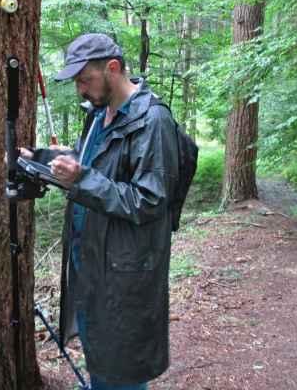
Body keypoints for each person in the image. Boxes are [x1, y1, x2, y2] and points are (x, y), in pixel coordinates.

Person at [20, 33, 179, 389]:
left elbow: (149, 200)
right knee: (100, 350)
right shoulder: (99, 115)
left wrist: (83, 178)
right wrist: (40, 158)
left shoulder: (152, 121)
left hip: (126, 268)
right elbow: (88, 166)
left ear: (113, 68)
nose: (80, 90)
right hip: (91, 257)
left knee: (122, 361)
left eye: (84, 80)